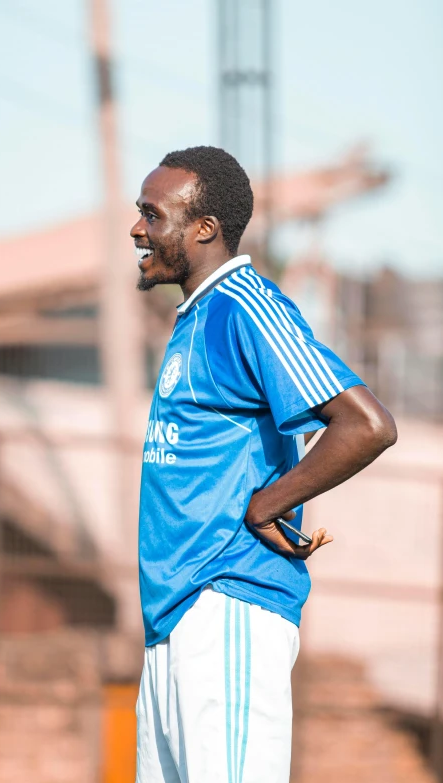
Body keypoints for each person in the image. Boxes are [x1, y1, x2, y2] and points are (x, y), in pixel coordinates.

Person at [130, 146, 397, 783]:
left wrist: (267, 502)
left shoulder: (246, 305)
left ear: (203, 229)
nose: (137, 229)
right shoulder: (197, 316)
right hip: (172, 621)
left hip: (227, 607)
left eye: (151, 214)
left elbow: (366, 424)